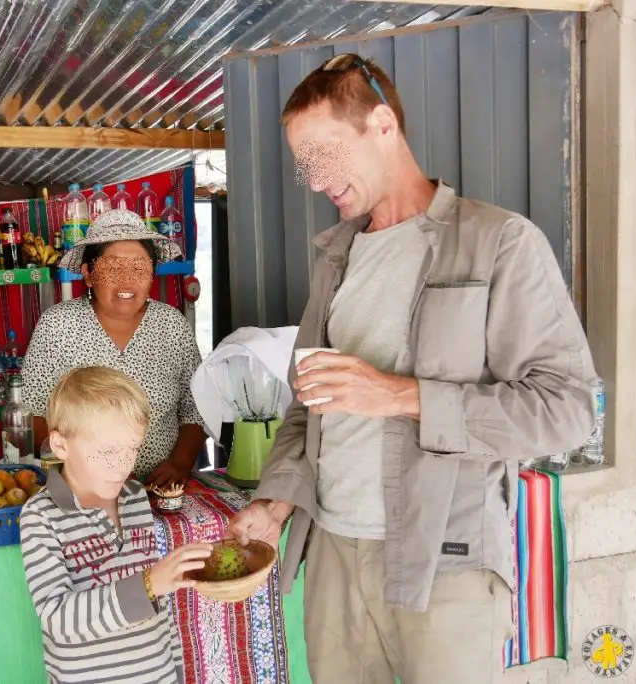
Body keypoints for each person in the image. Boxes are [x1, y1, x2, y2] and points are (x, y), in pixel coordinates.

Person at [228, 54, 596, 684]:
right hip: (334, 559)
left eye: (326, 154)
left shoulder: (499, 241)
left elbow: (566, 411)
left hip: (445, 565)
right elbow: (305, 405)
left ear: (382, 125)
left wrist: (403, 396)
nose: (317, 180)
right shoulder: (335, 259)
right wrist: (275, 504)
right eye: (305, 164)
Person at [19, 366, 212, 684]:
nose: (122, 465)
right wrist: (148, 585)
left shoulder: (135, 496)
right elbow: (58, 618)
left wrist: (173, 668)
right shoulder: (40, 516)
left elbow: (158, 609)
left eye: (132, 449)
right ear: (61, 446)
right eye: (107, 451)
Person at [21, 208, 206, 487]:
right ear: (88, 274)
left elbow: (195, 410)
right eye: (113, 267)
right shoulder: (57, 324)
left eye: (139, 267)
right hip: (80, 488)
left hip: (158, 487)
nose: (127, 279)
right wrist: (80, 471)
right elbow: (31, 413)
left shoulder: (172, 325)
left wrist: (179, 464)